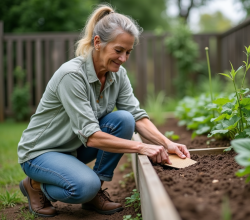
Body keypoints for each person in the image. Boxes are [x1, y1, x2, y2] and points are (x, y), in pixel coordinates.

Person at [17, 4, 190, 217]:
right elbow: (91, 136)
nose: (124, 58)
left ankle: (94, 193)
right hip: (41, 152)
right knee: (83, 187)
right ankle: (35, 185)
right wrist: (140, 147)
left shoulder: (118, 74)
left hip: (72, 146)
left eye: (128, 52)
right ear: (97, 42)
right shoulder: (72, 76)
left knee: (124, 119)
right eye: (118, 51)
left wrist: (167, 143)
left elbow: (136, 116)